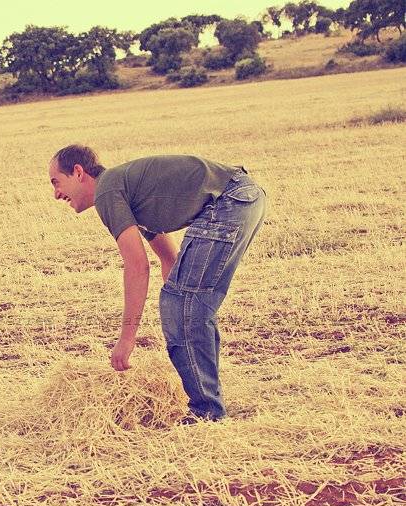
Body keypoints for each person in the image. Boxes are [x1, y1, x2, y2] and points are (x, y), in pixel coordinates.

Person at [48, 145, 265, 421]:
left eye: (56, 182)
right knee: (188, 307)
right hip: (244, 198)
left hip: (230, 202)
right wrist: (176, 305)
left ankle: (207, 411)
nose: (56, 194)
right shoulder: (126, 190)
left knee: (182, 307)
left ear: (78, 172)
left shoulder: (107, 192)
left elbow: (137, 266)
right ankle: (209, 404)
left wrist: (127, 339)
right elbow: (169, 260)